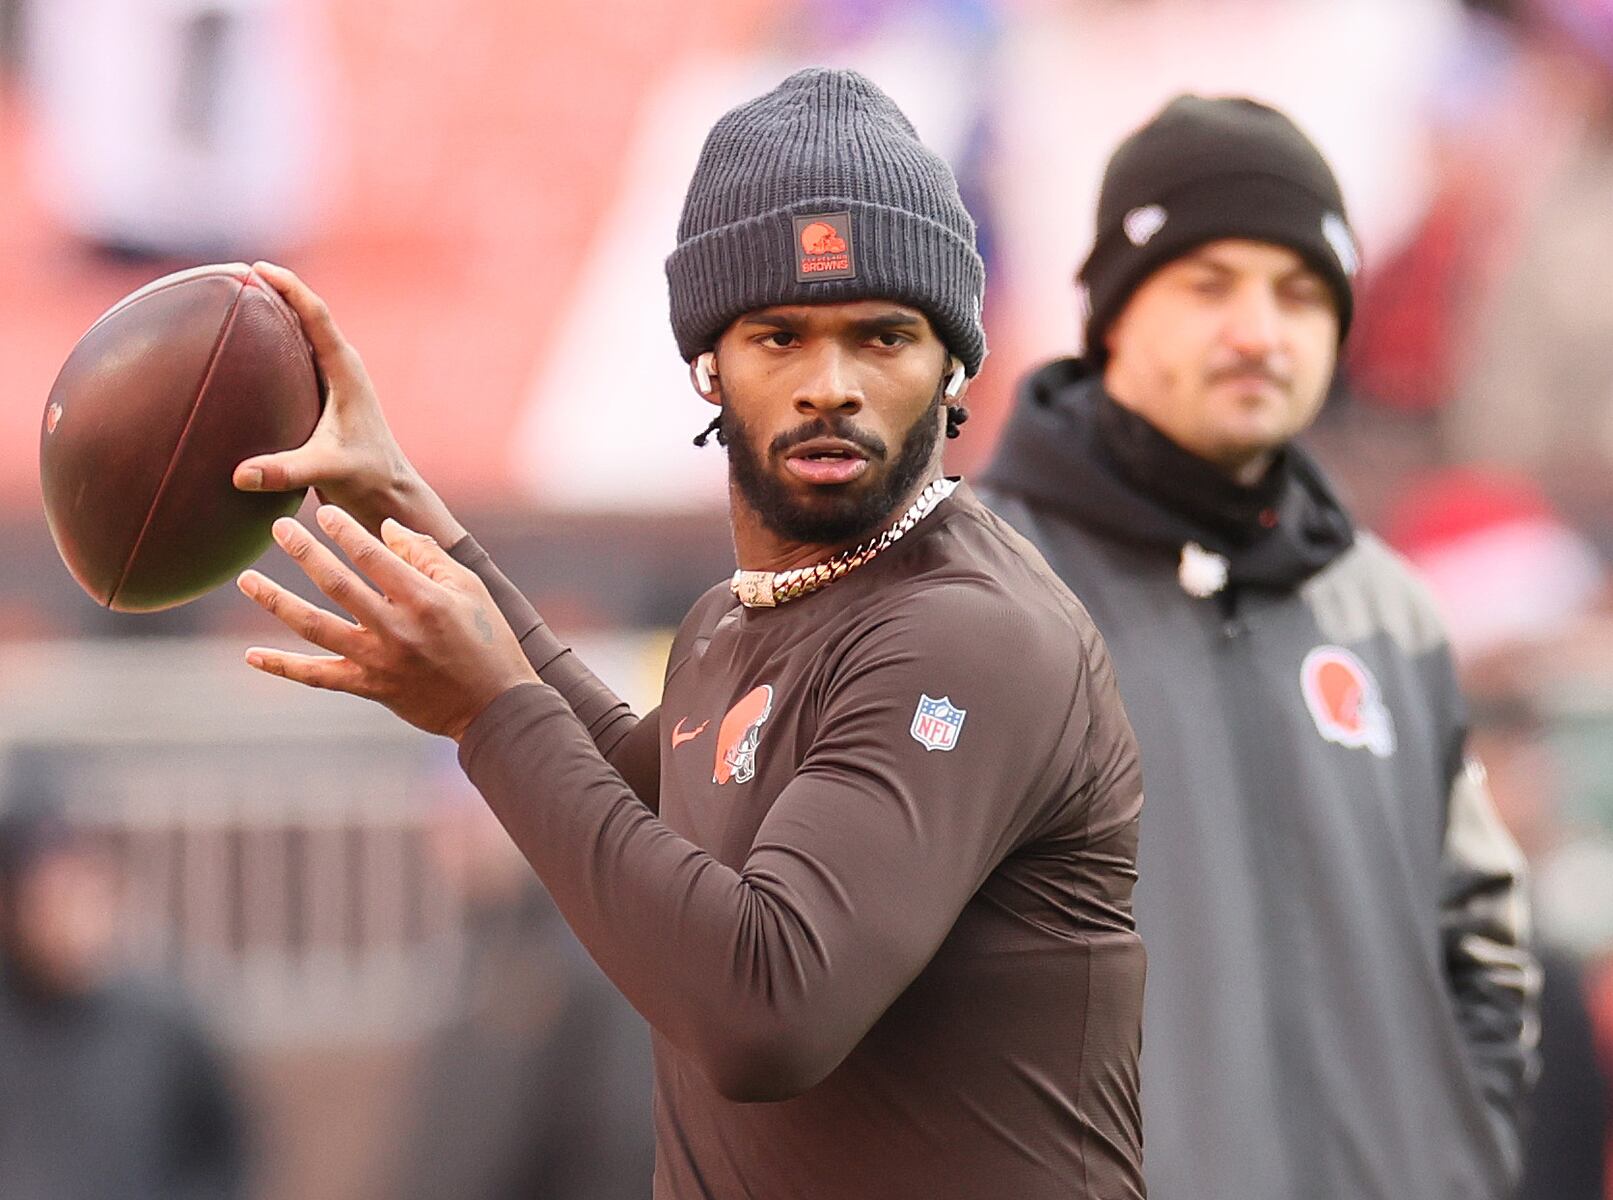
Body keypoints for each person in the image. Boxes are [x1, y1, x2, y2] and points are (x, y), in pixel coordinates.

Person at [230, 69, 1147, 1199]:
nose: (829, 386)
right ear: (708, 360)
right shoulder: (737, 615)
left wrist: (487, 713)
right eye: (779, 336)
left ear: (952, 363)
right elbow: (653, 803)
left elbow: (766, 1007)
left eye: (882, 337)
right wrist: (406, 510)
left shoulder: (969, 632)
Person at [976, 95, 1539, 1200]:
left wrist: (1452, 1161)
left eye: (1297, 293)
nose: (1258, 331)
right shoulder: (975, 598)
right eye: (1208, 285)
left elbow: (1482, 945)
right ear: (1110, 312)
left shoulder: (1386, 615)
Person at [0, 788, 250, 1200]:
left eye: (80, 893)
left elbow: (224, 1154)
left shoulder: (162, 1025)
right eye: (46, 899)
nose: (69, 917)